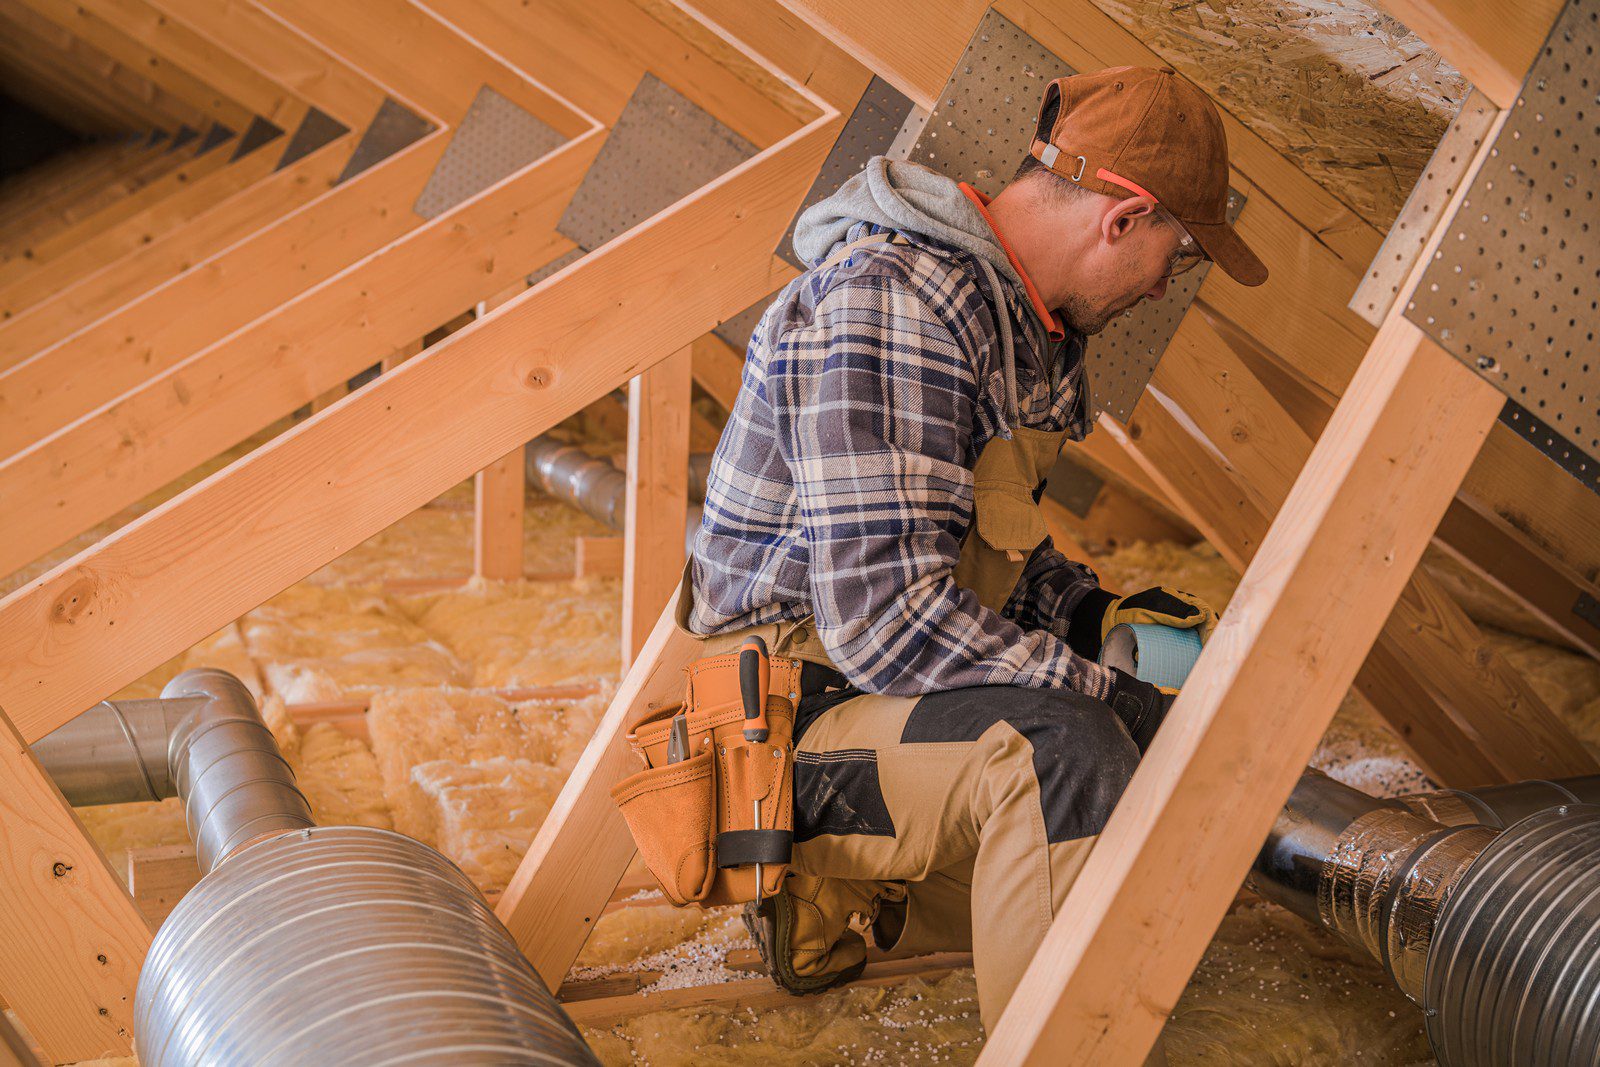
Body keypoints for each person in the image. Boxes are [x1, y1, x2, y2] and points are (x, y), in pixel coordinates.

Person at [678, 65, 1268, 1031]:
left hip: (880, 705)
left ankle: (876, 900)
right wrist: (1110, 695)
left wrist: (1091, 615)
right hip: (790, 738)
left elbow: (973, 548)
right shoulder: (898, 303)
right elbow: (885, 619)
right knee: (1063, 755)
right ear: (1123, 217)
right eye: (1181, 252)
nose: (1168, 283)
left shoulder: (1007, 319)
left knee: (1138, 800)